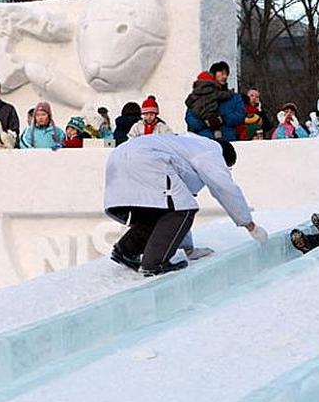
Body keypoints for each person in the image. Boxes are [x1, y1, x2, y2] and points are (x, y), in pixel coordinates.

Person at [104, 134, 268, 276]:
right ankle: (154, 263)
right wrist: (250, 225)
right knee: (183, 209)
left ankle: (126, 250)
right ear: (225, 160)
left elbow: (178, 203)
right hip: (146, 160)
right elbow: (224, 188)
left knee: (161, 210)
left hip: (119, 157)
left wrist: (189, 249)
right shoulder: (211, 152)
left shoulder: (189, 143)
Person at [185, 61, 246, 141]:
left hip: (228, 139)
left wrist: (223, 119)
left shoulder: (234, 97)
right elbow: (190, 117)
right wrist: (204, 123)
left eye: (226, 74)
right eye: (221, 73)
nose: (224, 76)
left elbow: (240, 115)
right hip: (204, 139)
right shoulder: (199, 95)